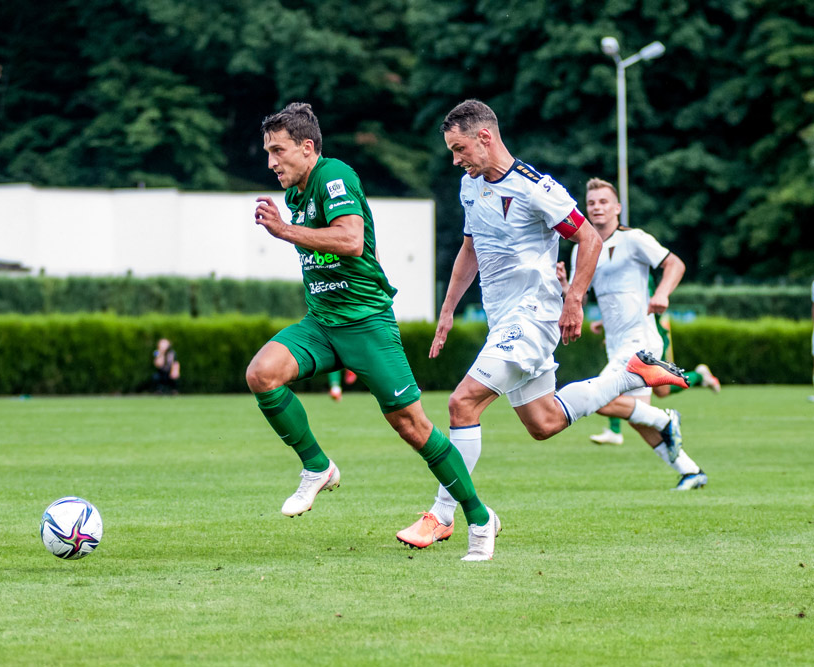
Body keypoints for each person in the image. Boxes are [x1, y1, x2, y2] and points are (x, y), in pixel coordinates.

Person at [394, 100, 688, 553]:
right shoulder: (470, 187)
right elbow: (470, 250)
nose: (455, 159)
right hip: (503, 323)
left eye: (459, 148)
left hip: (532, 319)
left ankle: (444, 515)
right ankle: (631, 373)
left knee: (462, 403)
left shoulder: (537, 188)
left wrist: (574, 301)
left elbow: (586, 237)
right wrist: (448, 309)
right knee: (543, 422)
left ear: (485, 138)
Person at [246, 102, 499, 561]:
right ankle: (317, 467)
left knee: (413, 426)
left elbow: (350, 240)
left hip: (366, 324)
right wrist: (288, 226)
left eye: (278, 151)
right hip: (322, 323)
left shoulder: (334, 174)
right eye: (268, 152)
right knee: (262, 374)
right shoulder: (297, 195)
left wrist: (284, 232)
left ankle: (479, 518)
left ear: (307, 148)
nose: (271, 162)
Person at [556, 177, 708, 490]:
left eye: (603, 202)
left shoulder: (633, 238)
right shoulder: (582, 247)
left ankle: (667, 420)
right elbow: (580, 297)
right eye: (592, 203)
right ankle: (691, 472)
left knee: (596, 400)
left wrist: (662, 293)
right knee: (639, 419)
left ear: (617, 208)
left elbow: (675, 264)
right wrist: (563, 286)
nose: (597, 208)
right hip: (616, 344)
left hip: (641, 342)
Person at [588, 281, 720, 447]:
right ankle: (699, 377)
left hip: (649, 339)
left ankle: (699, 377)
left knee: (615, 384)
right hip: (633, 339)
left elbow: (638, 309)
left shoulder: (641, 275)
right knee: (658, 390)